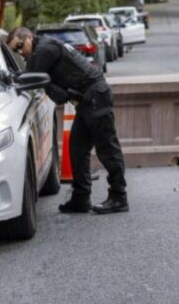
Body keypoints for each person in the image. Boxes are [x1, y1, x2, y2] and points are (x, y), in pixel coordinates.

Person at [7, 27, 129, 214]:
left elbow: (28, 78)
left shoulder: (44, 50)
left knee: (108, 149)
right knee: (77, 149)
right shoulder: (44, 48)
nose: (20, 52)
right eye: (15, 50)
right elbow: (52, 89)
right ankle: (81, 199)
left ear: (30, 37)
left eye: (20, 46)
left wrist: (8, 78)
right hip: (87, 99)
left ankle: (119, 197)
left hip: (94, 96)